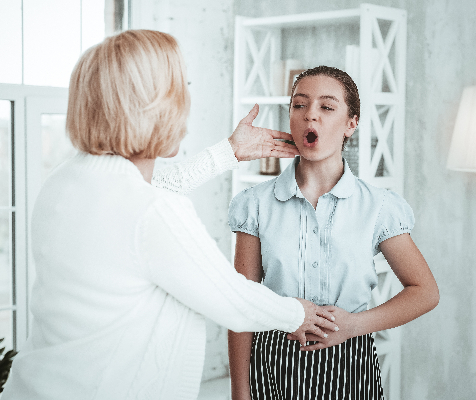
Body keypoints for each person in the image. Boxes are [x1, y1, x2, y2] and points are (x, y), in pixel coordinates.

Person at [1, 30, 337, 400]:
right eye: (182, 88)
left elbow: (148, 189)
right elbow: (231, 299)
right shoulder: (150, 211)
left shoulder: (64, 180)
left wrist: (228, 152)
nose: (187, 100)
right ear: (154, 106)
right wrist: (298, 314)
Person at [227, 66, 440, 400]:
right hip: (270, 366)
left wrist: (354, 325)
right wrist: (240, 392)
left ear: (350, 124)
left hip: (351, 367)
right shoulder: (253, 204)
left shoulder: (380, 207)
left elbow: (425, 291)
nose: (311, 115)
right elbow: (241, 303)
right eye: (300, 105)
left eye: (327, 107)